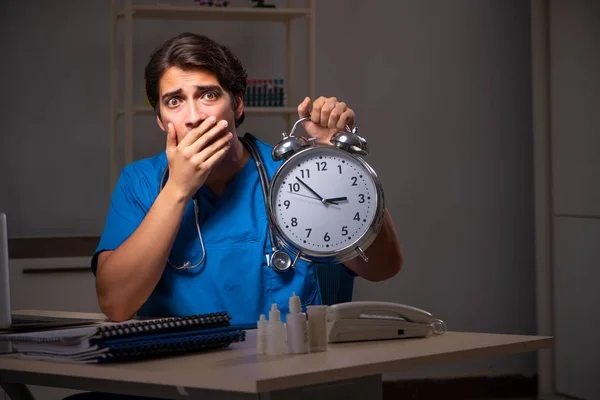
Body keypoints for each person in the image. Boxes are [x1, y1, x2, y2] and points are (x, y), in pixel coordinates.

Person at [92, 32, 404, 325]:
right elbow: (116, 304)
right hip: (178, 371)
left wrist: (337, 161)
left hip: (282, 366)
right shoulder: (140, 182)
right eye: (174, 101)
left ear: (237, 103)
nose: (194, 116)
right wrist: (178, 190)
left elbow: (383, 266)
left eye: (208, 95)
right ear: (161, 120)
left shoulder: (294, 172)